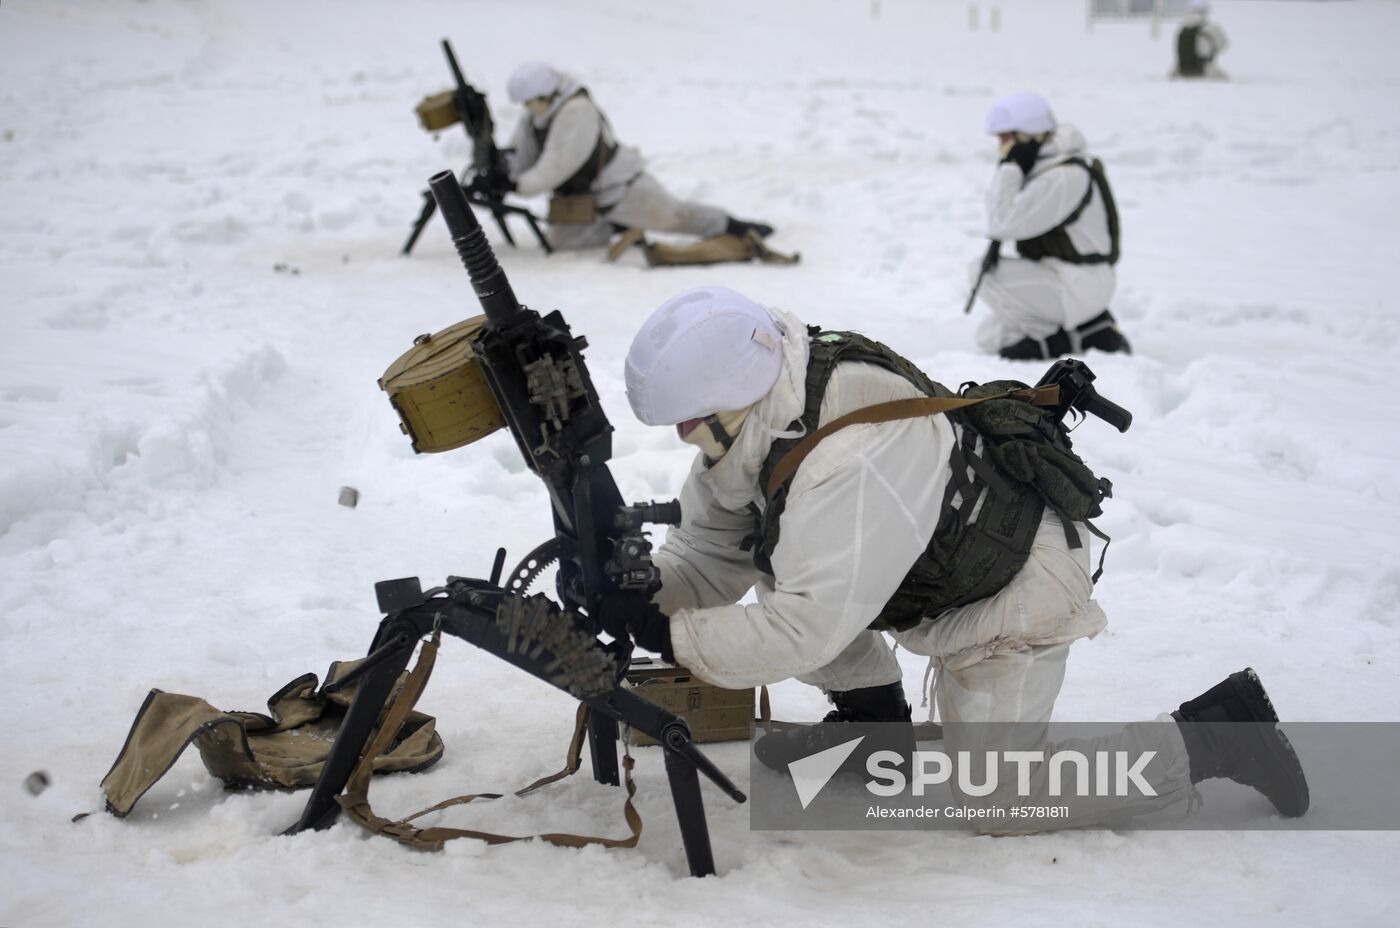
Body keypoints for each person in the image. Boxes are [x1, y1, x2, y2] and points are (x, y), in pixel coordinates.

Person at [614, 284, 1309, 830]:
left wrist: (664, 632)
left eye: (689, 422)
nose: (682, 437)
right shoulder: (769, 402)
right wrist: (645, 589)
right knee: (783, 555)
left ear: (733, 394)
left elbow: (803, 630)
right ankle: (873, 726)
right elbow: (713, 549)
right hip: (922, 556)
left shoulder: (846, 458)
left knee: (1003, 801)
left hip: (1012, 588)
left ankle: (1220, 733)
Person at [500, 61, 774, 252]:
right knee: (564, 244)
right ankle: (616, 227)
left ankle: (730, 225)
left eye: (531, 101)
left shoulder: (576, 110)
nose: (528, 108)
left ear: (549, 93)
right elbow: (523, 153)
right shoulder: (537, 116)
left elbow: (557, 165)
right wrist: (503, 171)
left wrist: (518, 186)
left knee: (675, 217)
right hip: (583, 199)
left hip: (622, 189)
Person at [969, 92, 1132, 361]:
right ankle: (1089, 329)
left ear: (1027, 136)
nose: (1001, 146)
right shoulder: (1043, 170)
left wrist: (1010, 169)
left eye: (1005, 138)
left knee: (982, 273)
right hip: (1059, 278)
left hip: (1079, 284)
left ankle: (1056, 339)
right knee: (989, 337)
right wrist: (1015, 168)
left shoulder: (1065, 176)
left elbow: (1001, 223)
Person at [1172, 0, 1230, 80]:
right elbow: (1223, 44)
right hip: (1205, 70)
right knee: (1226, 80)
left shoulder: (1183, 29)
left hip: (1181, 70)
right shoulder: (1210, 27)